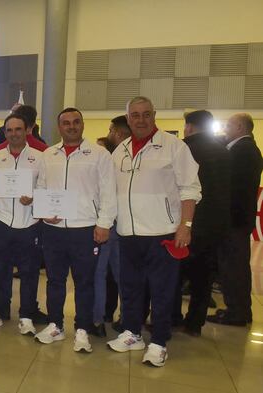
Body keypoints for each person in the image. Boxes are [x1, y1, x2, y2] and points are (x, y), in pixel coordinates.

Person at [108, 96, 201, 367]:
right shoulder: (120, 150)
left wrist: (185, 226)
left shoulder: (174, 147)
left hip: (163, 233)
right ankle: (132, 332)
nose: (140, 119)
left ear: (154, 115)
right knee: (130, 288)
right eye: (134, 115)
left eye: (145, 114)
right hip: (127, 233)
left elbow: (190, 190)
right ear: (128, 118)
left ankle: (159, 341)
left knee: (162, 291)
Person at [34, 108, 116, 353]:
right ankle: (55, 325)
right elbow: (42, 186)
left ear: (82, 125)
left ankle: (82, 329)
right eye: (66, 123)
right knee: (55, 280)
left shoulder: (99, 154)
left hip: (85, 229)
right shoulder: (48, 154)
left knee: (85, 282)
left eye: (76, 122)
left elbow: (108, 192)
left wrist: (104, 223)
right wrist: (43, 210)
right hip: (54, 229)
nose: (71, 126)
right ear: (59, 127)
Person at [0, 114, 46, 335]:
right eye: (9, 130)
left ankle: (27, 315)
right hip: (2, 221)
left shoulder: (40, 158)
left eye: (18, 129)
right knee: (0, 270)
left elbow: (45, 188)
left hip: (29, 222)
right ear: (5, 132)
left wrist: (35, 198)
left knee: (29, 272)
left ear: (26, 130)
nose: (13, 134)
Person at [207, 113, 263, 326]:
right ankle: (237, 310)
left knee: (234, 268)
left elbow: (232, 187)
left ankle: (237, 312)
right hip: (235, 219)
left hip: (234, 220)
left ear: (240, 127)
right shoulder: (242, 149)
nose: (224, 129)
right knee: (232, 266)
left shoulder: (244, 150)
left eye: (228, 125)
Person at [178, 110, 230, 336]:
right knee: (204, 277)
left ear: (189, 127)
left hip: (188, 221)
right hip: (215, 224)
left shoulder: (185, 148)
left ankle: (172, 316)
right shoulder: (224, 151)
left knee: (176, 274)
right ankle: (195, 323)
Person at [90, 115, 131, 337]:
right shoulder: (121, 156)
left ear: (119, 133)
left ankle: (97, 320)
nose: (109, 133)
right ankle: (125, 318)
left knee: (101, 272)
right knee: (121, 275)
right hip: (122, 225)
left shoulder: (111, 157)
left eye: (111, 130)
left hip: (109, 224)